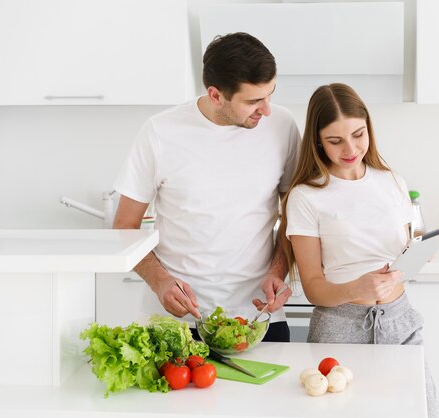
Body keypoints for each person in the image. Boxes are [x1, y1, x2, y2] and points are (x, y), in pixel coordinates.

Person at [112, 32, 301, 342]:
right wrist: (160, 283)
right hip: (178, 321)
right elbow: (124, 225)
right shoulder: (160, 132)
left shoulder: (282, 125)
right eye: (253, 101)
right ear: (216, 95)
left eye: (270, 95)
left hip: (258, 317)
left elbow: (294, 215)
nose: (266, 110)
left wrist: (277, 272)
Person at [279, 83, 439, 416]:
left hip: (399, 321)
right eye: (335, 141)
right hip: (340, 329)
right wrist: (357, 287)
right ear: (318, 142)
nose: (350, 148)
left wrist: (420, 254)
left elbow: (406, 250)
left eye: (358, 134)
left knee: (422, 410)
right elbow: (313, 287)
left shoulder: (392, 181)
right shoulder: (306, 197)